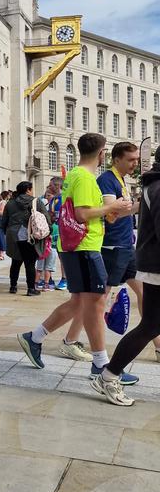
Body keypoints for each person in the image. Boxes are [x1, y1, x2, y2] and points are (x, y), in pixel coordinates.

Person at [18, 132, 135, 406]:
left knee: (81, 302)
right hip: (85, 246)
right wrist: (113, 206)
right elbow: (82, 214)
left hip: (79, 246)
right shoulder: (84, 178)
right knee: (94, 303)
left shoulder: (75, 175)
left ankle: (34, 338)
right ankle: (101, 365)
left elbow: (83, 210)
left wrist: (109, 210)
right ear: (103, 153)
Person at [100, 147, 160, 399]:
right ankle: (108, 372)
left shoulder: (149, 185)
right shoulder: (156, 187)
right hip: (141, 257)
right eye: (130, 159)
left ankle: (109, 372)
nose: (135, 163)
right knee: (150, 324)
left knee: (151, 323)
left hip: (141, 256)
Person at [2, 181, 43, 296]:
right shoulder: (36, 201)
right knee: (30, 263)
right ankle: (31, 289)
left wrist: (7, 232)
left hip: (14, 234)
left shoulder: (10, 203)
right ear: (28, 190)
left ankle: (13, 286)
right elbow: (46, 218)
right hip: (30, 235)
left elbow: (4, 221)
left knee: (15, 261)